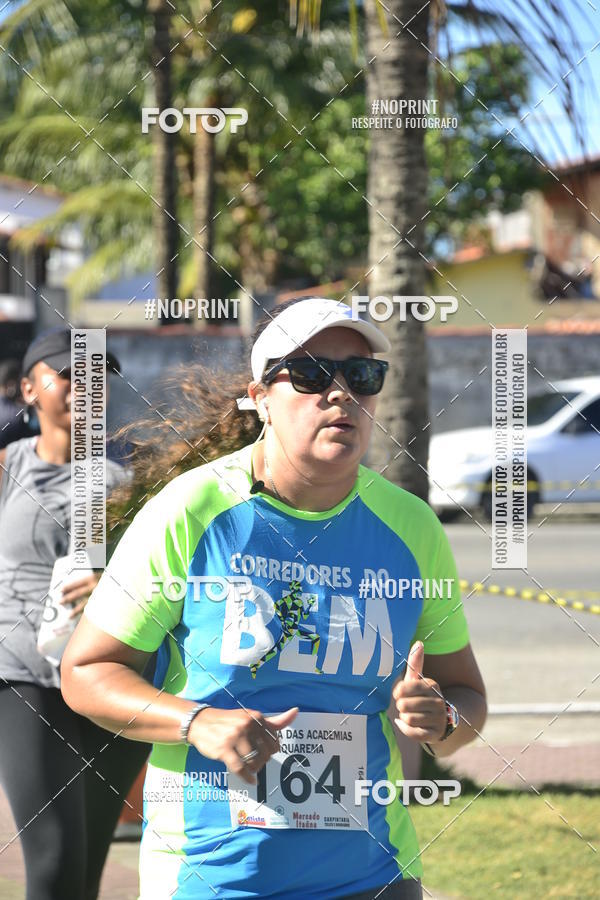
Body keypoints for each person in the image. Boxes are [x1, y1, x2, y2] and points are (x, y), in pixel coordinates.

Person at [61, 298, 487, 900]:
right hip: (215, 877)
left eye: (363, 375)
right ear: (260, 398)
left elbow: (466, 699)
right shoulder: (191, 511)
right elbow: (86, 672)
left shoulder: (411, 526)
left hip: (374, 875)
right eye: (311, 373)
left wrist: (442, 718)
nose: (340, 393)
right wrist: (196, 722)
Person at [0, 328, 149, 900]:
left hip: (112, 674)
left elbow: (171, 578)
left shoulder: (134, 479)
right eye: (68, 374)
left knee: (85, 867)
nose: (85, 387)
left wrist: (114, 584)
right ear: (28, 389)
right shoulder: (7, 465)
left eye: (96, 376)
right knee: (55, 857)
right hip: (24, 677)